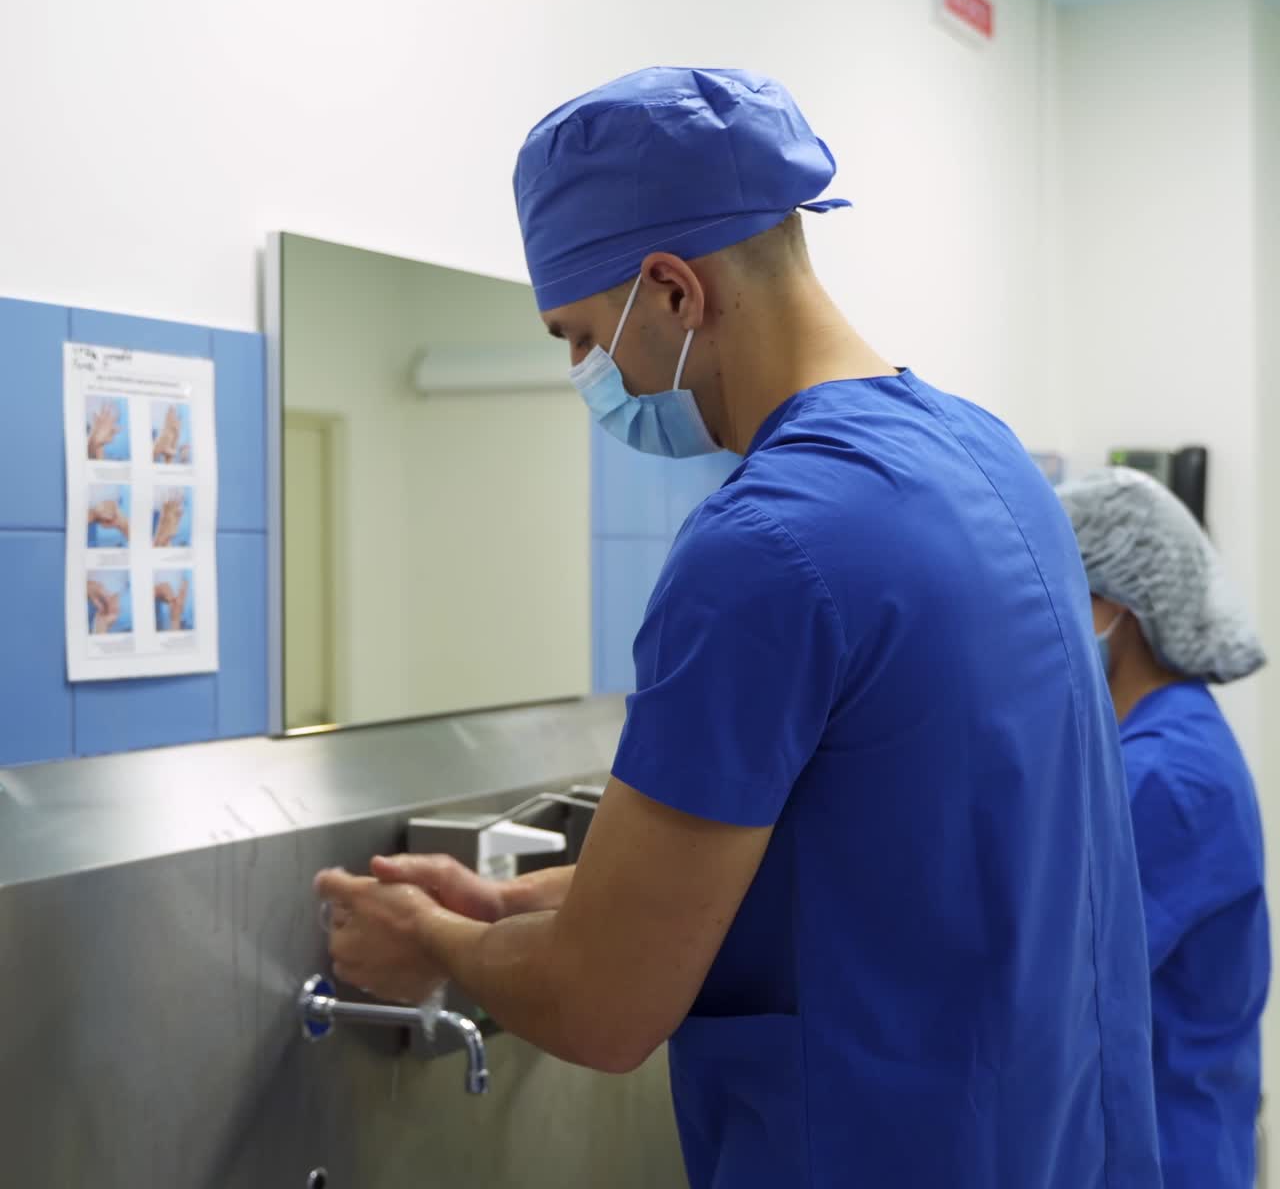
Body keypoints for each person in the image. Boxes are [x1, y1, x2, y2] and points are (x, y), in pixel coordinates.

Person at [315, 66, 1161, 1187]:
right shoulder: (987, 459)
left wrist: (438, 945)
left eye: (577, 336)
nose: (585, 375)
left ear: (672, 290)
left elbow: (602, 1006)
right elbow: (854, 845)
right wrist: (521, 901)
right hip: (1054, 1139)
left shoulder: (764, 549)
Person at [1059, 466, 1270, 1189]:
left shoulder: (1165, 776)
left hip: (1165, 1150)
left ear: (1122, 607)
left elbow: (1063, 979)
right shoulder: (1164, 739)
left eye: (1064, 600)